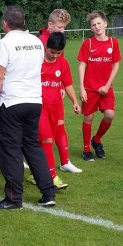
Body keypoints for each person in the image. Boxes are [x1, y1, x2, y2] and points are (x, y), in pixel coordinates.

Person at [0, 6, 59, 209]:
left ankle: (13, 198)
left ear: (5, 24)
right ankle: (48, 192)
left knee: (10, 151)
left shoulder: (5, 43)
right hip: (34, 101)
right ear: (23, 23)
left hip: (12, 102)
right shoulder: (36, 42)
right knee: (32, 146)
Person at [29, 32, 79, 190]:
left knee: (41, 141)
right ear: (46, 47)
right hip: (40, 106)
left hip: (56, 106)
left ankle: (33, 174)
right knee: (47, 139)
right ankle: (52, 177)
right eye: (52, 52)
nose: (55, 56)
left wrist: (75, 101)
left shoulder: (63, 63)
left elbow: (68, 84)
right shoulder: (36, 62)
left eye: (58, 53)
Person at [36, 9, 80, 173]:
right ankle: (44, 169)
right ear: (50, 25)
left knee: (58, 127)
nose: (62, 31)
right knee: (44, 136)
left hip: (55, 96)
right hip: (40, 99)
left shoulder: (59, 42)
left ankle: (64, 161)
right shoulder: (40, 42)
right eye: (60, 27)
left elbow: (60, 68)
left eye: (64, 28)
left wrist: (61, 86)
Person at [78, 11, 121, 162]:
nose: (96, 27)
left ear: (105, 23)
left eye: (99, 23)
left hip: (106, 88)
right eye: (93, 25)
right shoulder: (88, 43)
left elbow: (116, 65)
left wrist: (107, 85)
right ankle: (86, 150)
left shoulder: (113, 43)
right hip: (90, 87)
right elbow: (82, 65)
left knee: (109, 115)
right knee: (88, 117)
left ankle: (96, 140)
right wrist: (82, 88)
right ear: (91, 28)